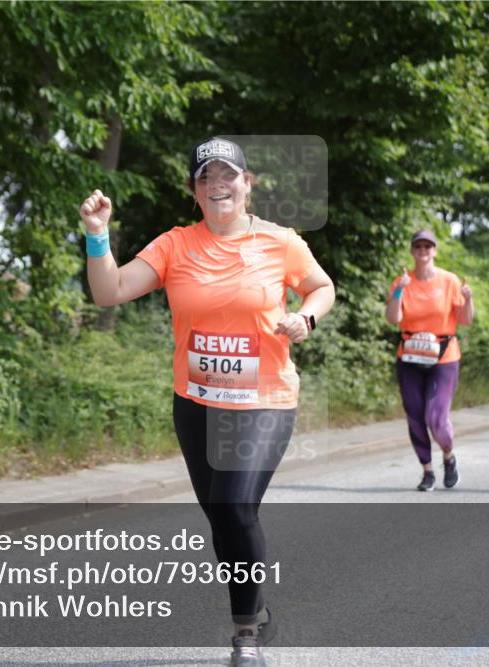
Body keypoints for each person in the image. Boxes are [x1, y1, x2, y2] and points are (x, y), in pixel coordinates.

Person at [80, 136, 335, 667]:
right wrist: (98, 236)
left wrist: (305, 317)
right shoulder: (174, 245)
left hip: (265, 398)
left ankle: (247, 630)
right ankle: (255, 608)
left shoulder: (280, 241)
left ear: (247, 183)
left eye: (228, 175)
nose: (217, 185)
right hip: (196, 402)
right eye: (206, 178)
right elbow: (110, 292)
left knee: (233, 507)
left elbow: (321, 286)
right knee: (221, 521)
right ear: (195, 191)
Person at [385, 229, 474, 492]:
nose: (423, 251)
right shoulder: (402, 280)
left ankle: (448, 456)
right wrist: (399, 292)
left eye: (428, 246)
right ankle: (427, 471)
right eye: (418, 246)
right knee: (414, 414)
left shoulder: (449, 281)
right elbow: (393, 318)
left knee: (435, 415)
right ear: (412, 251)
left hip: (444, 356)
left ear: (434, 250)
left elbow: (466, 320)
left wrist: (469, 300)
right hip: (410, 356)